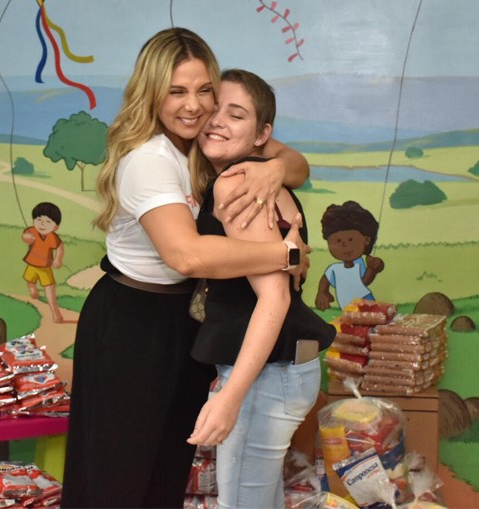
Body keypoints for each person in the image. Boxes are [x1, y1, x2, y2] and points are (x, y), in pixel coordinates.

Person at [61, 28, 312, 509]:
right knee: (118, 473)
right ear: (152, 92)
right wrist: (286, 256)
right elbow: (187, 256)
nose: (194, 106)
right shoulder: (148, 161)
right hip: (131, 322)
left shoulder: (203, 142)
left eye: (204, 91)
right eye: (177, 91)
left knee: (165, 472)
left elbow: (294, 161)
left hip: (185, 320)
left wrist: (274, 168)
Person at [187, 69, 337, 509]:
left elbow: (274, 298)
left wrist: (230, 399)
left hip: (266, 375)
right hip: (283, 370)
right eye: (213, 110)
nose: (217, 121)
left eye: (236, 115)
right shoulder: (259, 174)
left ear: (261, 134)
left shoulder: (237, 182)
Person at [315, 200, 385, 311]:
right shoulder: (334, 269)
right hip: (347, 309)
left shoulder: (359, 264)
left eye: (350, 239)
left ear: (366, 240)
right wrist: (322, 293)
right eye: (338, 241)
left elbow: (363, 282)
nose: (344, 245)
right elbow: (325, 280)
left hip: (365, 302)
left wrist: (372, 269)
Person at [21, 201, 64, 323]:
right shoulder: (32, 232)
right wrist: (26, 238)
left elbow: (60, 247)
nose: (42, 224)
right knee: (29, 281)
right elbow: (25, 236)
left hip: (45, 268)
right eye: (39, 219)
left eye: (48, 221)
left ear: (55, 227)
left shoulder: (52, 237)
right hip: (32, 265)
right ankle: (33, 290)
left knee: (50, 289)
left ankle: (55, 313)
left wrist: (58, 259)